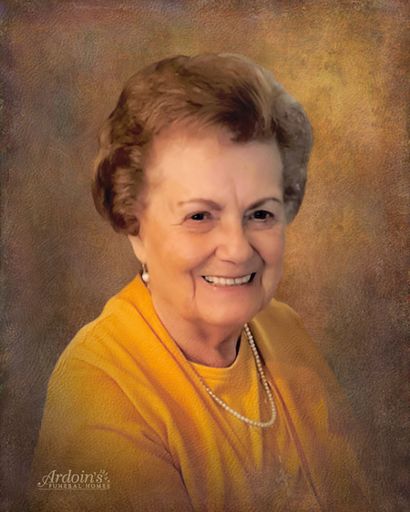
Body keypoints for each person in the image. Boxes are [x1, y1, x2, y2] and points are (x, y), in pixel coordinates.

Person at [30, 53, 372, 511]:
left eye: (260, 214)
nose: (237, 249)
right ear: (134, 226)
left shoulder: (284, 331)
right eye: (199, 216)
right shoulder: (99, 390)